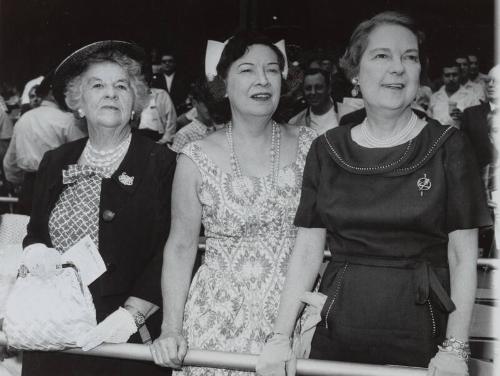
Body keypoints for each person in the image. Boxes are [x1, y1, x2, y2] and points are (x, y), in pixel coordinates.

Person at [257, 11, 491, 376]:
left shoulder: (450, 146)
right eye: (382, 56)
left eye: (409, 57)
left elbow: (463, 257)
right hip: (336, 330)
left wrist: (456, 349)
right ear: (354, 72)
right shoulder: (326, 149)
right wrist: (279, 337)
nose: (397, 68)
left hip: (422, 336)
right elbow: (306, 250)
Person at [150, 31, 317, 375]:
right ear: (222, 85)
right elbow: (181, 247)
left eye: (272, 70)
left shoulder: (311, 145)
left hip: (292, 316)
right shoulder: (194, 156)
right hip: (216, 317)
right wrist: (171, 327)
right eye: (247, 70)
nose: (262, 80)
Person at [20, 40, 177, 376]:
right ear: (78, 103)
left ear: (135, 101)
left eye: (122, 86)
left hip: (125, 338)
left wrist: (133, 313)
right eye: (98, 86)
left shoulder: (161, 162)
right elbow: (35, 233)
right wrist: (35, 251)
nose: (111, 94)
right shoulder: (55, 161)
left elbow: (174, 248)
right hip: (55, 333)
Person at [3, 74, 86, 214]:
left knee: (26, 231)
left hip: (29, 188)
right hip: (58, 188)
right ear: (53, 95)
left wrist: (18, 182)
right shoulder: (68, 121)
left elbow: (10, 163)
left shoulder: (24, 119)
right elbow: (83, 160)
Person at [170, 79, 220, 153]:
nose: (210, 108)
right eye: (205, 104)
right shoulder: (184, 135)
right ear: (194, 103)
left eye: (213, 103)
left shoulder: (222, 128)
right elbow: (174, 163)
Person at [428, 61, 479, 128]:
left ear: (460, 75)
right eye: (447, 75)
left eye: (454, 75)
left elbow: (478, 122)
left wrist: (464, 118)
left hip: (461, 136)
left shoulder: (471, 97)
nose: (451, 79)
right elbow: (428, 122)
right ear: (442, 77)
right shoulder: (434, 97)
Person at [288, 68, 339, 135]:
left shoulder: (347, 112)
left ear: (329, 88)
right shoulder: (295, 123)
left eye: (318, 87)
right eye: (308, 88)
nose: (313, 92)